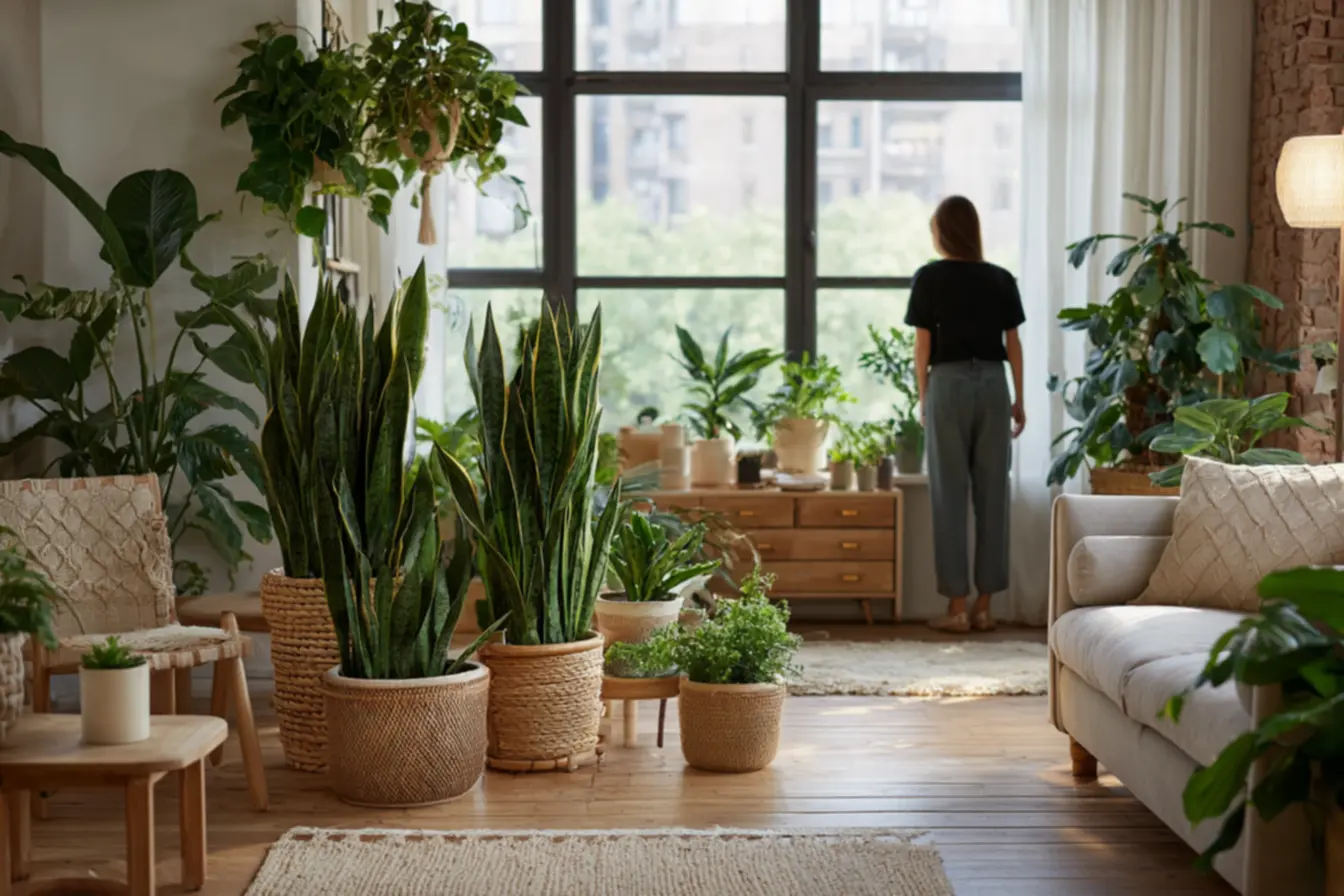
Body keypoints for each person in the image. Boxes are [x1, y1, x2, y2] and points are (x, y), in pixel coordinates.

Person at [904, 195, 1026, 634]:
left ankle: (956, 608)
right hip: (994, 383)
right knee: (993, 495)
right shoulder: (1000, 278)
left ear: (943, 232)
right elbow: (1013, 344)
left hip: (949, 385)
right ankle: (985, 608)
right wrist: (1019, 398)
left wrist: (923, 396)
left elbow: (923, 346)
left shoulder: (929, 278)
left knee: (949, 495)